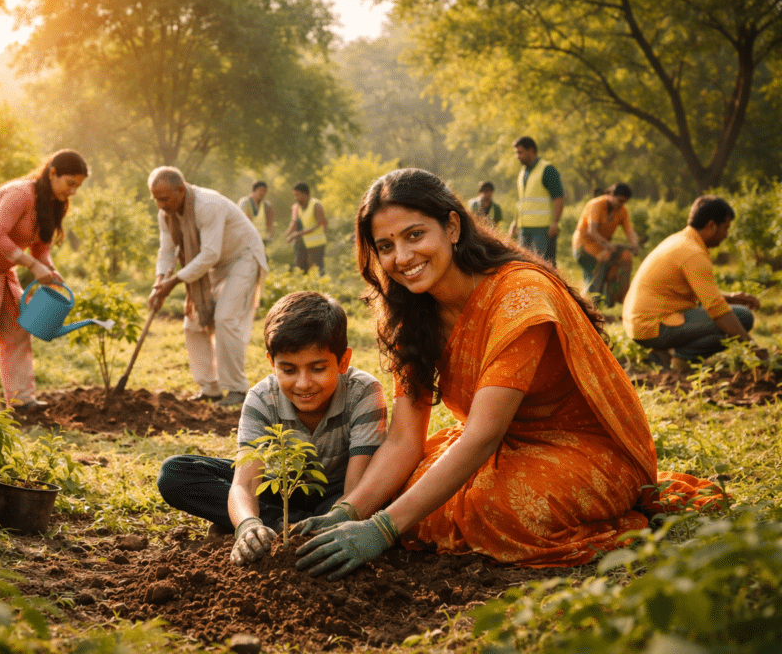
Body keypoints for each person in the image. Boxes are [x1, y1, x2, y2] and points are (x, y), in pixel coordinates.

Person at [292, 168, 722, 581]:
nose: (402, 258)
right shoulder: (408, 311)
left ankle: (623, 516)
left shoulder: (519, 296)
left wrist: (381, 530)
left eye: (415, 235)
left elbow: (482, 435)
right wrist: (348, 511)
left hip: (585, 448)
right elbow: (405, 439)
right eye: (385, 246)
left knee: (498, 508)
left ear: (453, 227)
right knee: (406, 495)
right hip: (507, 447)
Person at [156, 291, 387, 566]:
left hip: (338, 493)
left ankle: (281, 528)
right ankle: (276, 528)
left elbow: (355, 489)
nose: (303, 383)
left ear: (343, 361)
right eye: (288, 370)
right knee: (175, 472)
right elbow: (245, 483)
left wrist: (341, 515)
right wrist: (247, 523)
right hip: (279, 487)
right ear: (272, 363)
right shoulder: (262, 398)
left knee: (381, 494)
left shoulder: (364, 392)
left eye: (317, 368)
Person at [0, 150, 89, 411]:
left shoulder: (54, 204)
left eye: (78, 185)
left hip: (0, 265)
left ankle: (23, 400)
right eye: (71, 183)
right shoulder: (20, 192)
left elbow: (41, 247)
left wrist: (50, 271)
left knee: (18, 328)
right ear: (53, 172)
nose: (74, 191)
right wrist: (32, 266)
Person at [147, 166, 269, 407]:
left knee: (225, 319)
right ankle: (209, 388)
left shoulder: (207, 206)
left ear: (180, 190)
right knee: (193, 323)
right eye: (156, 199)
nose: (160, 205)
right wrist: (159, 282)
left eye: (163, 198)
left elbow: (210, 253)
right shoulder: (166, 215)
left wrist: (173, 282)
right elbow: (167, 250)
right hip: (213, 265)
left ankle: (236, 390)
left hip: (242, 258)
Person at [622, 196, 765, 370]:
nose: (726, 235)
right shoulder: (693, 253)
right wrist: (755, 349)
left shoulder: (681, 241)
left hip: (640, 324)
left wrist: (733, 297)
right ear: (711, 226)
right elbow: (717, 309)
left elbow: (703, 293)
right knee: (742, 317)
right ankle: (681, 359)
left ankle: (662, 353)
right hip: (652, 326)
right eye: (726, 228)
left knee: (734, 315)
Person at [572, 182, 640, 304]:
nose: (621, 204)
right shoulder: (596, 205)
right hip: (583, 246)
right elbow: (592, 231)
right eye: (619, 200)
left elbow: (629, 231)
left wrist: (635, 244)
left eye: (624, 202)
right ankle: (589, 304)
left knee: (625, 258)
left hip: (603, 248)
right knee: (599, 267)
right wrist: (607, 245)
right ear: (611, 195)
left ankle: (615, 299)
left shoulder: (622, 210)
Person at [509, 136, 564, 265]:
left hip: (543, 230)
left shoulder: (548, 170)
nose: (517, 156)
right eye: (516, 153)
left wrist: (555, 222)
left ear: (531, 151)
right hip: (524, 230)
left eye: (520, 152)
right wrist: (515, 222)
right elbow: (522, 202)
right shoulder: (523, 172)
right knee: (524, 265)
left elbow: (559, 198)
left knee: (543, 267)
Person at [284, 182, 328, 275]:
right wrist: (287, 234)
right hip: (305, 243)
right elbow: (295, 223)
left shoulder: (316, 205)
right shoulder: (298, 207)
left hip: (317, 244)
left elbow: (319, 224)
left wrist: (300, 233)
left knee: (316, 271)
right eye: (294, 195)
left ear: (305, 194)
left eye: (297, 195)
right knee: (302, 269)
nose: (295, 198)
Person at [239, 180, 275, 245]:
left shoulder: (267, 205)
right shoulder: (244, 202)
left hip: (262, 240)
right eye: (260, 190)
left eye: (264, 191)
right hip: (246, 239)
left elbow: (270, 223)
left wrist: (269, 236)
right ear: (254, 191)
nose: (262, 193)